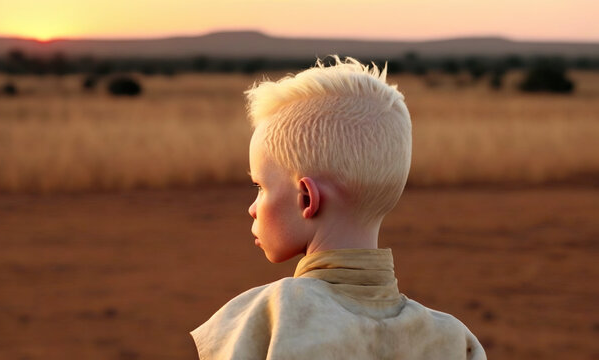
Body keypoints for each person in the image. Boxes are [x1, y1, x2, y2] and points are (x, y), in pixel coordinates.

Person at [190, 56, 486, 359]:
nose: (253, 209)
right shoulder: (454, 340)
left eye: (260, 188)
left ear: (307, 198)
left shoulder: (265, 318)